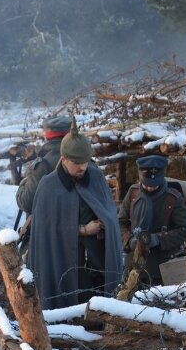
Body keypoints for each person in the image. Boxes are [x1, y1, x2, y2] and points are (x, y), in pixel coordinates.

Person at [28, 117, 123, 310]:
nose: (82, 168)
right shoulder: (48, 186)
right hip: (64, 262)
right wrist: (82, 230)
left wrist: (105, 224)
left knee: (98, 309)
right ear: (63, 159)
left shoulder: (95, 177)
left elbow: (110, 213)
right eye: (76, 163)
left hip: (96, 264)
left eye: (85, 162)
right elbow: (45, 232)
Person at [118, 155, 186, 286]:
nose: (149, 188)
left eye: (154, 184)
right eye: (146, 184)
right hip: (133, 268)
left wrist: (158, 239)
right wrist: (129, 240)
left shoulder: (173, 198)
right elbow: (120, 222)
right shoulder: (133, 193)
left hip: (162, 269)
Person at [15, 115, 71, 214]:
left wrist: (24, 183)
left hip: (52, 227)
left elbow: (26, 203)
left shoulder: (42, 165)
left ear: (47, 137)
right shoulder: (85, 160)